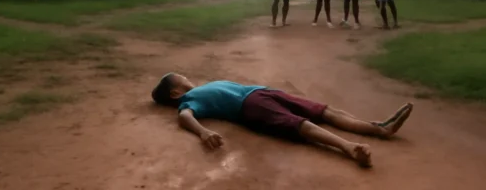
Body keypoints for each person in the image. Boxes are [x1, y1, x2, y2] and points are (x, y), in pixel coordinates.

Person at [151, 73, 414, 168]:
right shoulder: (188, 101)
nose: (186, 78)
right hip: (250, 106)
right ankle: (349, 147)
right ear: (176, 92)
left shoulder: (199, 88)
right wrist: (202, 132)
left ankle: (379, 127)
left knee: (324, 111)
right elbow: (185, 116)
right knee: (300, 125)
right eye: (181, 78)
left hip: (261, 93)